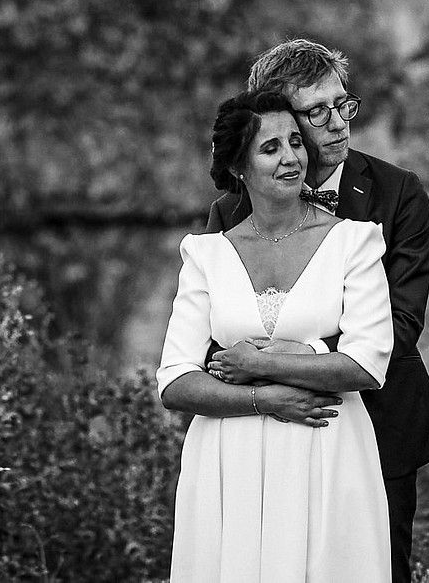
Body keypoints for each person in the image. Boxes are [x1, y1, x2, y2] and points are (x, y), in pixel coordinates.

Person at [204, 40, 429, 583]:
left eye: (344, 104)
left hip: (381, 426)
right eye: (317, 112)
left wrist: (288, 357)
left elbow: (401, 327)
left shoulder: (398, 194)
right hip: (270, 431)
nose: (340, 123)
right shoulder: (230, 211)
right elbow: (213, 345)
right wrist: (262, 396)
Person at [159, 90, 395, 583]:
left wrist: (257, 363)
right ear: (239, 168)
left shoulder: (354, 242)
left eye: (295, 142)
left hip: (327, 450)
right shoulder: (206, 255)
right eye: (270, 148)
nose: (291, 157)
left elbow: (366, 366)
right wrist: (263, 399)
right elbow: (175, 382)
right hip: (228, 457)